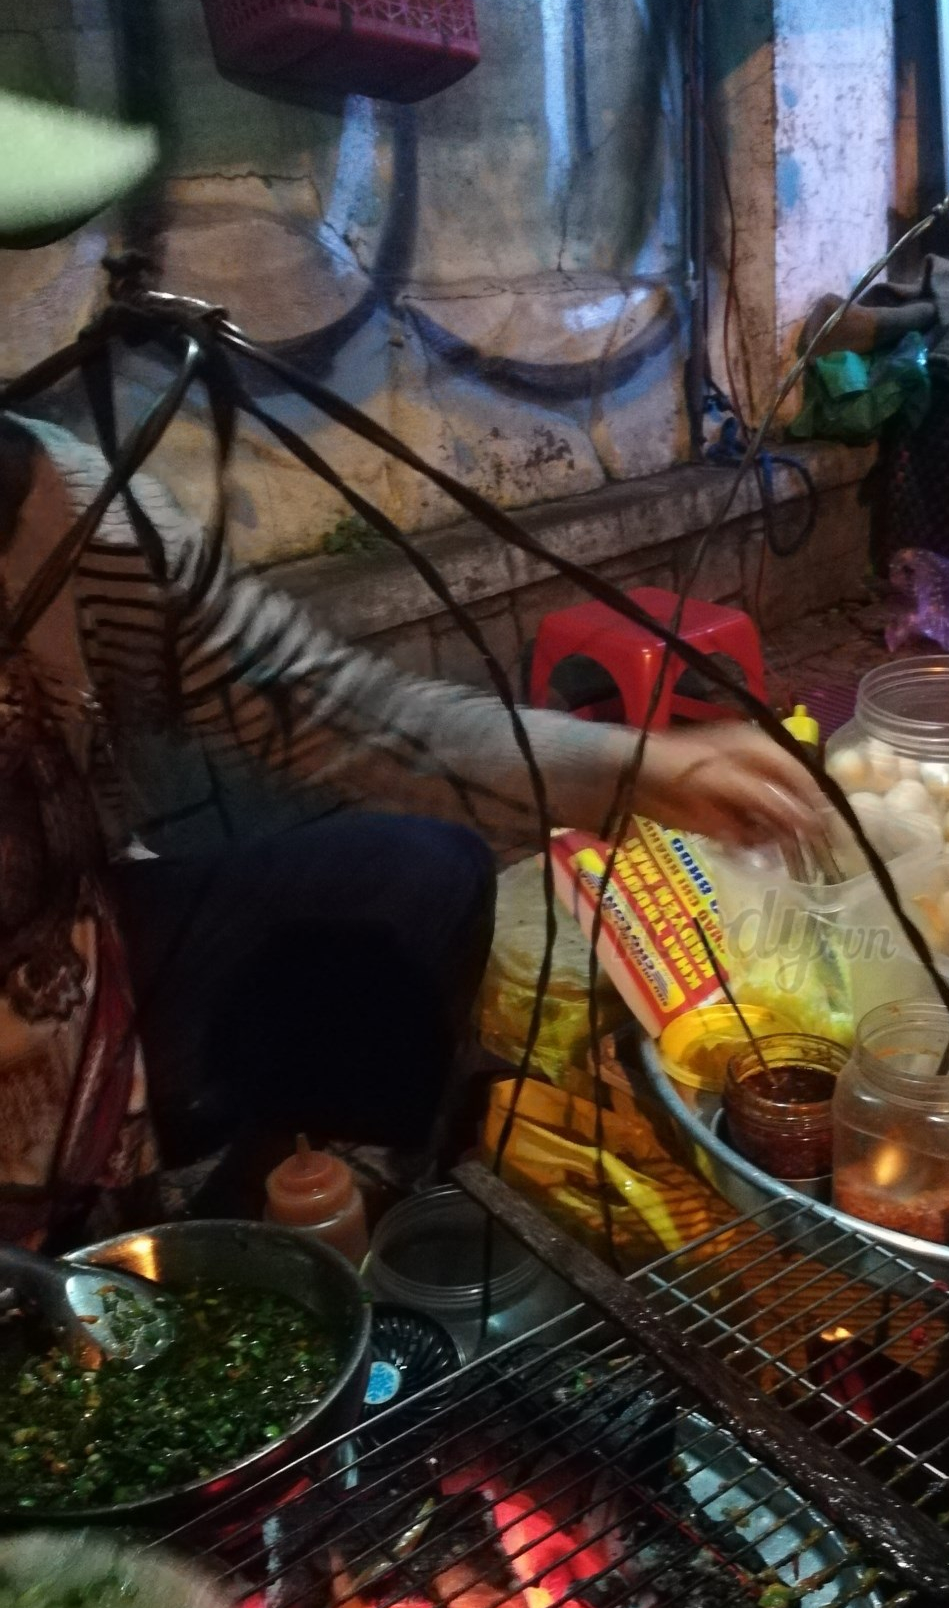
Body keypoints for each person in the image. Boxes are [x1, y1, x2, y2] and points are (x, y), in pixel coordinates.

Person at [0, 93, 822, 1247]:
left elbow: (326, 708)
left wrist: (641, 766)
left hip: (71, 965)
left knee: (412, 876)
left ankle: (287, 1221)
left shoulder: (59, 503)